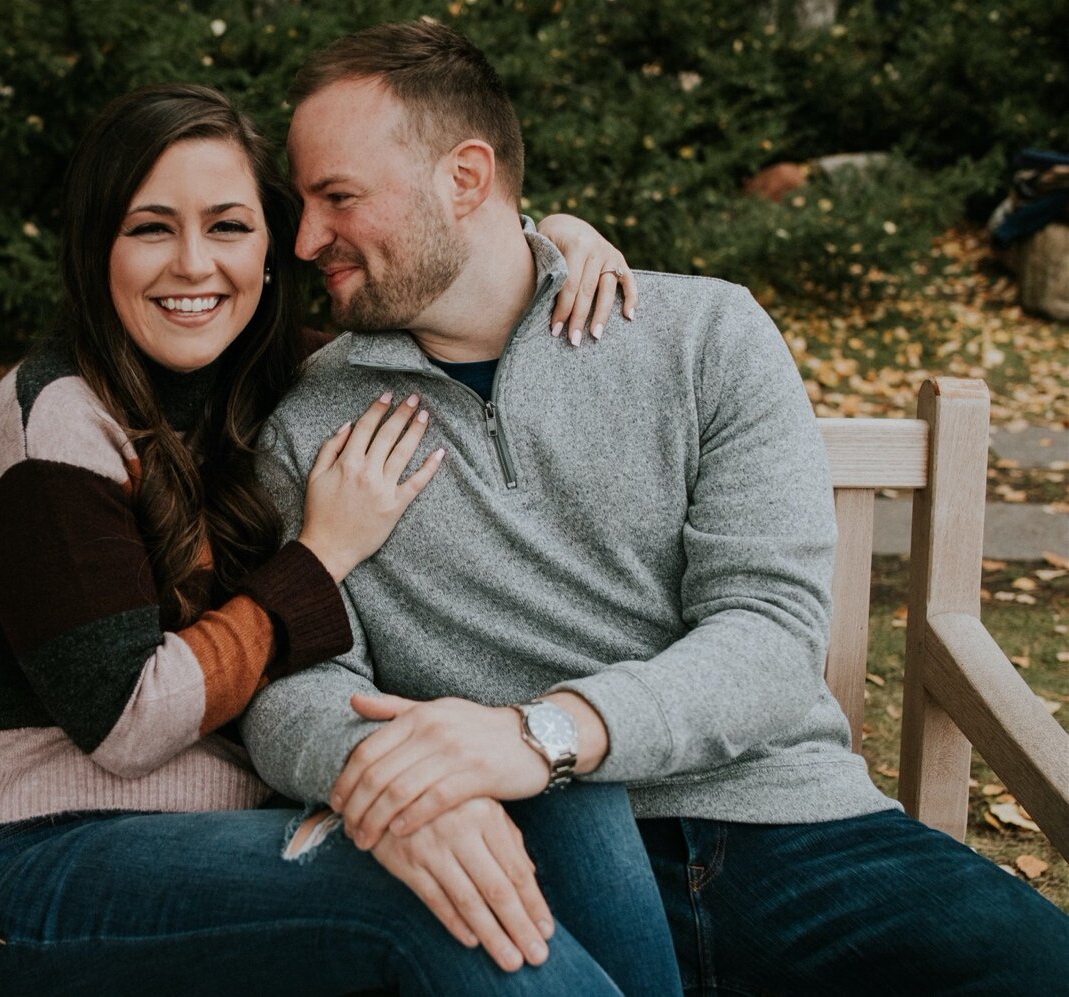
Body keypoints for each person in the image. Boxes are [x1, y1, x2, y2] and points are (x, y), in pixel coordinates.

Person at [242, 19, 1069, 996]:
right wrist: (393, 774)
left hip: (788, 825)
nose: (303, 239)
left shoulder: (703, 336)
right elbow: (290, 689)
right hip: (519, 858)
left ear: (465, 180)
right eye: (302, 204)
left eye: (338, 198)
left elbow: (769, 635)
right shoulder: (311, 421)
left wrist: (541, 731)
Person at [0, 81, 675, 995]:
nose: (194, 264)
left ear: (274, 249)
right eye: (151, 228)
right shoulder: (55, 424)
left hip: (222, 839)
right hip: (27, 868)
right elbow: (126, 719)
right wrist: (321, 556)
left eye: (229, 226)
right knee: (419, 893)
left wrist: (556, 241)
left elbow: (458, 287)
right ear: (95, 250)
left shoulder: (267, 380)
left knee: (561, 795)